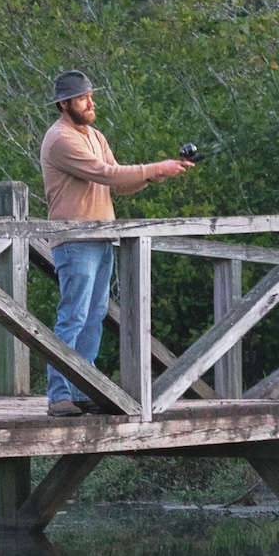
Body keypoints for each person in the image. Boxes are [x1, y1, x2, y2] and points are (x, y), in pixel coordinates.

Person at [39, 70, 193, 417]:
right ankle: (58, 395)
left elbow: (118, 184)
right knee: (73, 316)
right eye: (83, 98)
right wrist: (154, 166)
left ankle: (83, 389)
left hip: (100, 237)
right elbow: (105, 174)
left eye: (91, 96)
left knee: (93, 316)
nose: (91, 102)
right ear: (64, 104)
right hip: (74, 239)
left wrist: (156, 174)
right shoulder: (61, 139)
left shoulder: (95, 135)